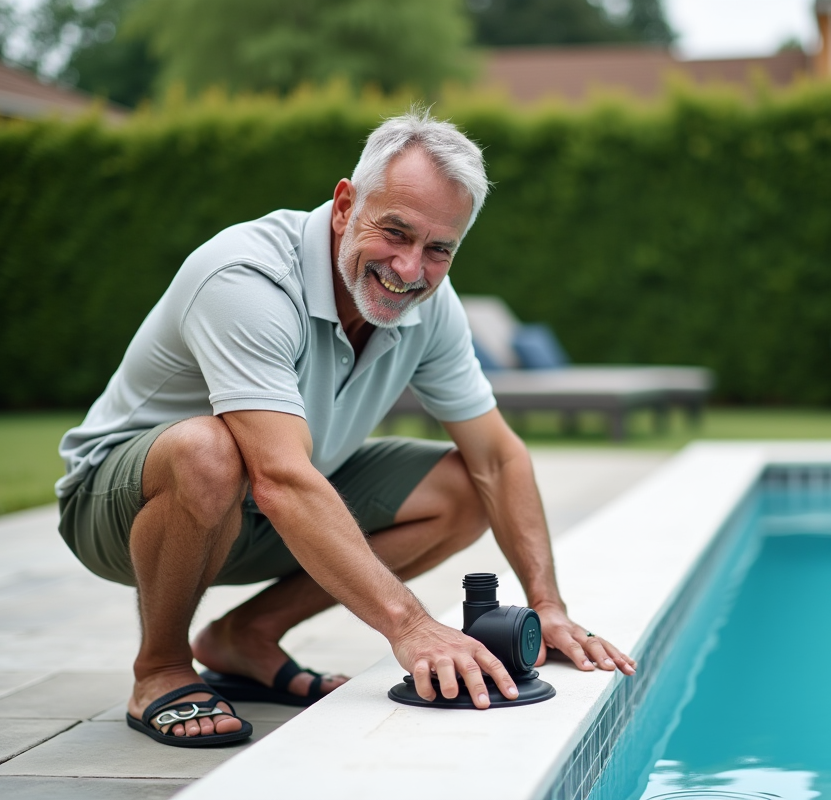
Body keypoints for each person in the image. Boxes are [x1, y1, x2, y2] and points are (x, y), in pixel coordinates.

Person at [55, 108, 636, 748]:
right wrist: (409, 625)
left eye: (438, 249)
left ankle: (244, 638)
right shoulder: (245, 278)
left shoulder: (433, 307)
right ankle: (160, 667)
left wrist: (547, 605)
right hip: (120, 507)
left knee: (465, 486)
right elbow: (278, 477)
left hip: (262, 509)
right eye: (395, 232)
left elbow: (498, 459)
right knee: (210, 451)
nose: (410, 269)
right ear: (344, 204)